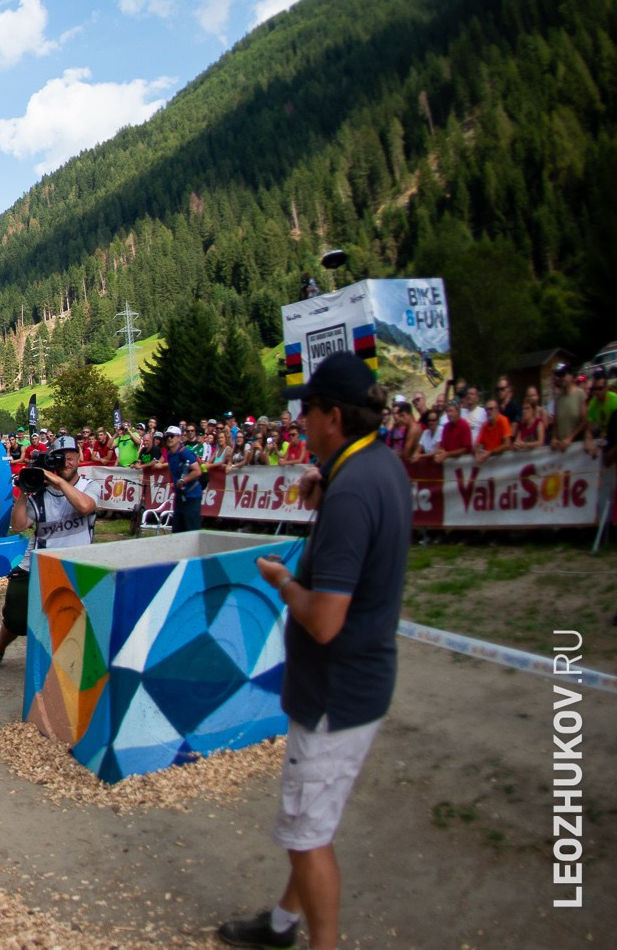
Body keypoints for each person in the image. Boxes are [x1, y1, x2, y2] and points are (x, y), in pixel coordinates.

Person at [221, 353, 408, 950]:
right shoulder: (380, 466)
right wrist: (324, 482)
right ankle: (280, 924)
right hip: (362, 681)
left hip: (335, 688)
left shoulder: (353, 491)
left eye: (307, 412)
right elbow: (356, 499)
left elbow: (325, 621)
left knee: (305, 837)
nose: (299, 423)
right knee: (315, 821)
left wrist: (282, 582)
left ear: (332, 415)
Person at [0, 433, 96, 672]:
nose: (66, 463)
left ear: (79, 458)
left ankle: (65, 662)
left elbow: (85, 507)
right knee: (15, 617)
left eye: (71, 457)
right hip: (37, 563)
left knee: (70, 617)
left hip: (74, 564)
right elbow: (18, 526)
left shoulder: (88, 487)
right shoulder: (41, 494)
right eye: (60, 458)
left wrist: (59, 482)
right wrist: (24, 489)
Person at [165, 425, 206, 532]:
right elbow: (171, 469)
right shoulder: (170, 454)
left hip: (192, 495)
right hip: (179, 496)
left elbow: (197, 471)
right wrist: (173, 483)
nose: (169, 438)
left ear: (179, 438)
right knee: (177, 528)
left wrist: (183, 480)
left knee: (191, 528)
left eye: (172, 436)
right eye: (167, 436)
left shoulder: (185, 452)